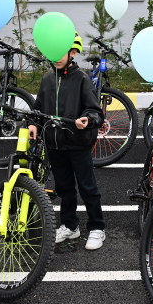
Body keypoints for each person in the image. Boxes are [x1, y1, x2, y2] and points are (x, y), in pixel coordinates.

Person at [29, 33, 106, 250]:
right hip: (55, 144)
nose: (55, 56)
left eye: (61, 51)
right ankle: (70, 225)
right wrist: (33, 123)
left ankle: (97, 227)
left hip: (78, 143)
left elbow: (95, 111)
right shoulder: (46, 79)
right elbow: (38, 108)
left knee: (87, 187)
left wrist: (88, 120)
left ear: (72, 53)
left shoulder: (81, 79)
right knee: (64, 188)